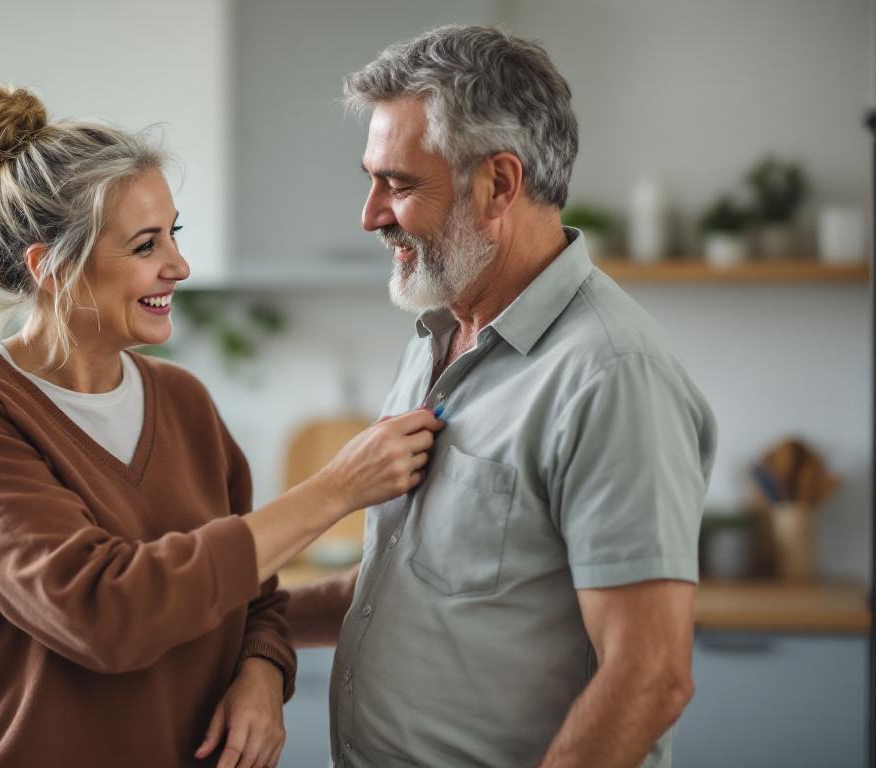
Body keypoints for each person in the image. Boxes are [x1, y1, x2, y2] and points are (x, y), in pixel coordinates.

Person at [0, 81, 443, 768]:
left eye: (174, 234)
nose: (178, 265)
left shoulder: (182, 401)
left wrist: (263, 675)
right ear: (50, 267)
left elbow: (254, 599)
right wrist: (335, 489)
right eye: (144, 245)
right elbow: (103, 613)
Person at [285, 25, 717, 768]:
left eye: (398, 183)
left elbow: (649, 677)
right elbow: (423, 580)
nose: (371, 215)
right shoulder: (437, 335)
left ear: (499, 185)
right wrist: (236, 623)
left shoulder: (610, 374)